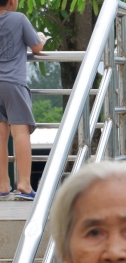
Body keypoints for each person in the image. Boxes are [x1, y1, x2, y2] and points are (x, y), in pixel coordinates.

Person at [0, 0, 46, 199]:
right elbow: (36, 47)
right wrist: (41, 38)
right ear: (12, 1)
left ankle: (2, 186)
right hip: (13, 83)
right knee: (20, 133)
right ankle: (25, 185)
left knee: (0, 136)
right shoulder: (19, 19)